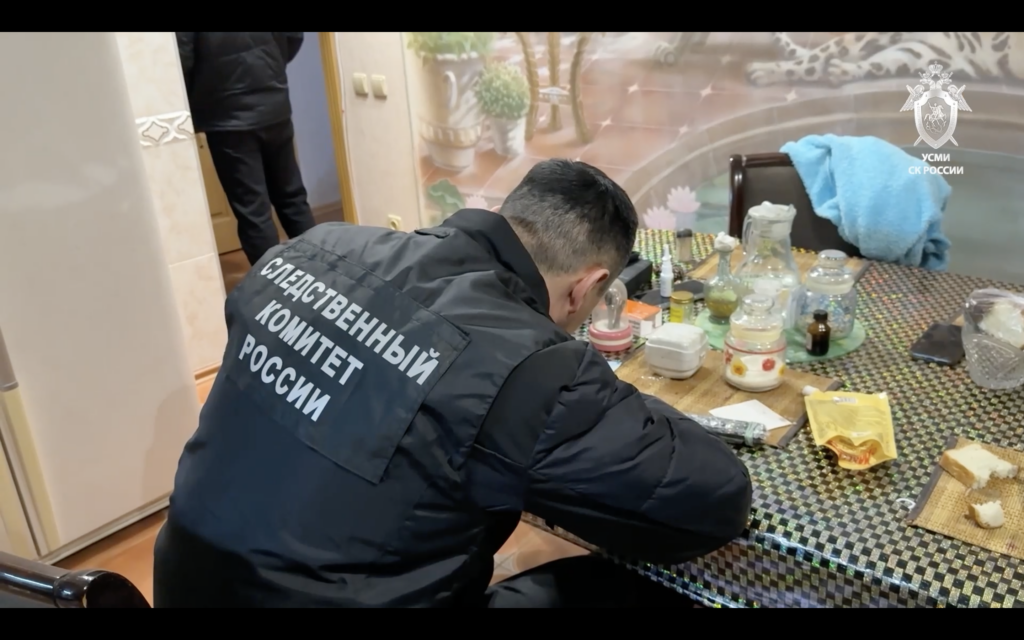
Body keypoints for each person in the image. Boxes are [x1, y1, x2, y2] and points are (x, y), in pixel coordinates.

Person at [153, 159, 752, 608]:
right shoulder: (532, 367)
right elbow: (715, 497)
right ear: (587, 287)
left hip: (188, 582)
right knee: (620, 586)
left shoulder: (308, 249)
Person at [176, 32, 317, 266]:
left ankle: (273, 282)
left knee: (254, 213)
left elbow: (181, 59)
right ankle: (323, 273)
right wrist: (269, 66)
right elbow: (294, 36)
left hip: (226, 115)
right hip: (273, 102)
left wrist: (196, 98)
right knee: (293, 198)